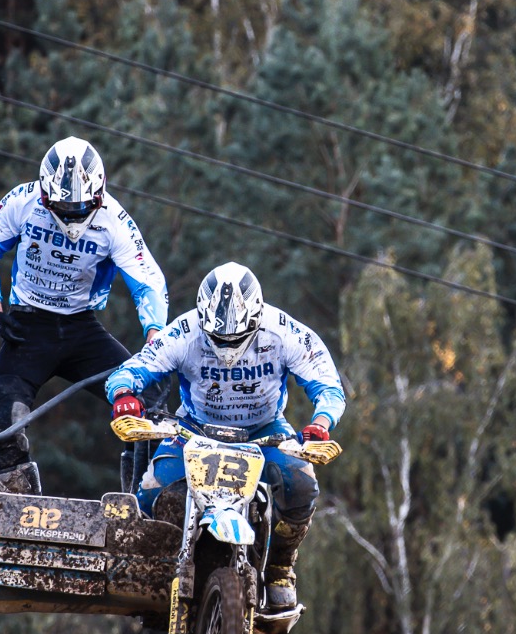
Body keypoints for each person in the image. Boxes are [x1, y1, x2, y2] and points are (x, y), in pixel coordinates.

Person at [104, 262, 345, 614]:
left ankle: (280, 567)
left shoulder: (284, 332)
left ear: (257, 318)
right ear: (203, 319)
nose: (227, 346)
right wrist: (124, 394)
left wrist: (321, 423)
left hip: (264, 431)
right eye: (217, 338)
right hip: (194, 430)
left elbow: (328, 385)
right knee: (152, 491)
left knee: (303, 485)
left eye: (236, 338)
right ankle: (148, 567)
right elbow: (132, 369)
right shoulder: (184, 331)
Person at [0, 136, 168, 494]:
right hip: (28, 328)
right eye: (61, 207)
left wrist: (153, 338)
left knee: (149, 403)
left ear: (98, 194)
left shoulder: (114, 221)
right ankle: (19, 497)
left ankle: (145, 497)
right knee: (1, 409)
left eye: (79, 208)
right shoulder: (22, 201)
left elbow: (148, 282)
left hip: (82, 330)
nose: (70, 216)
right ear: (45, 194)